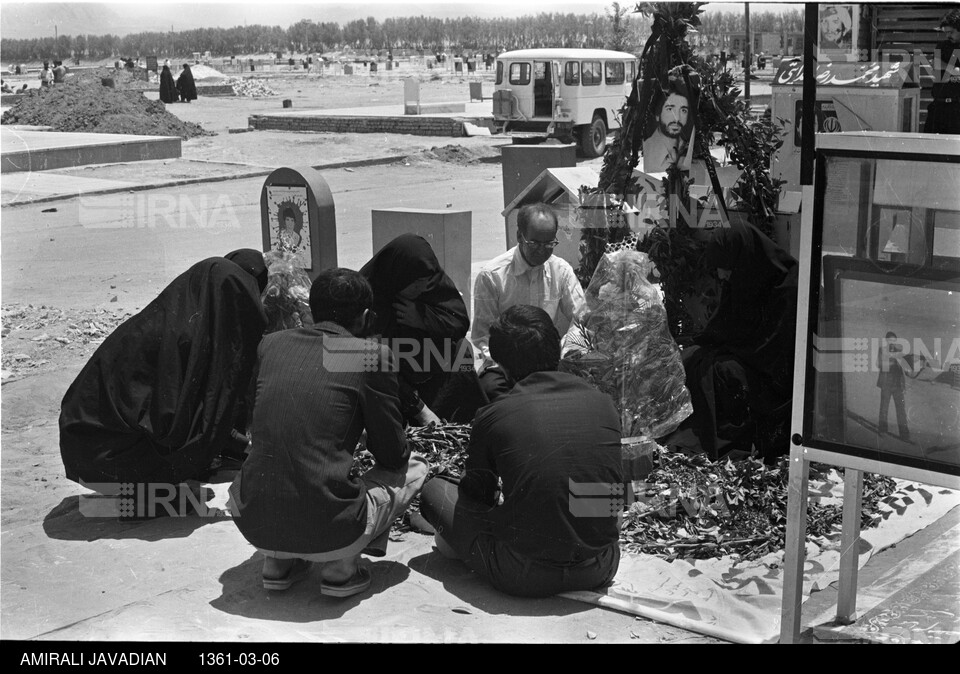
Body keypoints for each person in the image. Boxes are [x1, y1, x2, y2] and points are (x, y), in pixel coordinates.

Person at [229, 268, 429, 597]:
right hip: (328, 522)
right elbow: (392, 455)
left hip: (251, 517)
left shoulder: (272, 345)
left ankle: (278, 564)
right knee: (414, 467)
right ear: (367, 317)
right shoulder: (369, 356)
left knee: (282, 468)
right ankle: (341, 567)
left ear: (311, 310)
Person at [418, 304, 623, 598]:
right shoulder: (604, 404)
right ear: (557, 351)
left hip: (522, 573)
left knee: (435, 491)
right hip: (601, 565)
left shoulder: (494, 414)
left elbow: (478, 498)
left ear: (503, 368)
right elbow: (607, 496)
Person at [59, 250, 268, 509]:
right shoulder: (183, 340)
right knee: (195, 469)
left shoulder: (172, 319)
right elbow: (178, 424)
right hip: (104, 454)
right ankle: (147, 500)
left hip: (88, 444)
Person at [670, 221, 799, 462]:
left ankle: (723, 442)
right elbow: (727, 325)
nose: (722, 275)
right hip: (748, 355)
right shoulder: (745, 275)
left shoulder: (790, 287)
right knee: (691, 360)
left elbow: (776, 352)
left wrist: (729, 350)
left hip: (775, 382)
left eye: (725, 267)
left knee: (720, 373)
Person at [360, 234, 486, 426]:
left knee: (461, 350)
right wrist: (418, 407)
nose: (423, 288)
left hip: (430, 365)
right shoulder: (367, 294)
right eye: (415, 283)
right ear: (398, 276)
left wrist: (423, 318)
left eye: (426, 282)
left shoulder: (430, 280)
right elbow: (369, 358)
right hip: (389, 376)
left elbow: (459, 321)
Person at [472, 203, 586, 401]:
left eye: (549, 244)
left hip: (550, 362)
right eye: (534, 244)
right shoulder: (492, 276)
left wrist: (566, 350)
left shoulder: (561, 270)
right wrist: (506, 365)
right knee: (490, 389)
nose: (542, 251)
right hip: (507, 364)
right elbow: (483, 336)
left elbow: (583, 319)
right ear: (519, 237)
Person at [642, 84, 693, 173]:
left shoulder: (689, 149)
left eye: (683, 110)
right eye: (670, 109)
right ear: (658, 115)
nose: (677, 118)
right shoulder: (649, 150)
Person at [925, 9, 960, 134]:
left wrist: (945, 66)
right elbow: (936, 65)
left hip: (957, 109)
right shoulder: (942, 46)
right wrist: (954, 69)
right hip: (938, 107)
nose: (948, 36)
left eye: (951, 32)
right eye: (946, 32)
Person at [877, 331, 910, 441]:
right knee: (884, 408)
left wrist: (907, 369)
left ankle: (904, 435)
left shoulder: (899, 351)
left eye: (894, 341)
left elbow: (905, 368)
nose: (892, 343)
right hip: (886, 383)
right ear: (886, 340)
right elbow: (879, 364)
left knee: (901, 410)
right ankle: (882, 430)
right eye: (890, 340)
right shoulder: (882, 350)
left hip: (898, 385)